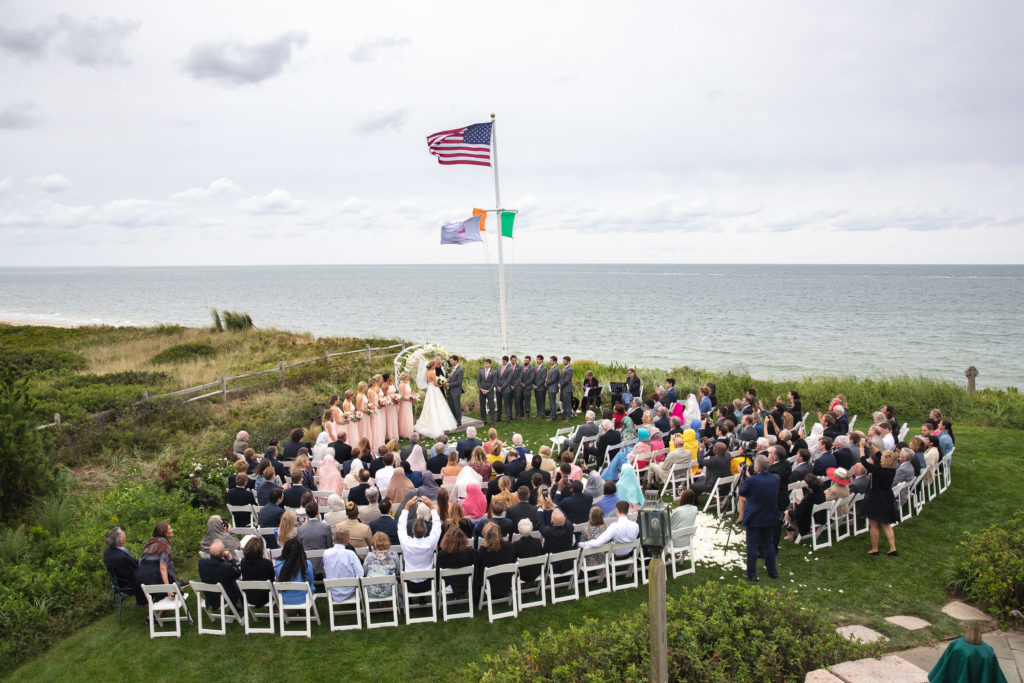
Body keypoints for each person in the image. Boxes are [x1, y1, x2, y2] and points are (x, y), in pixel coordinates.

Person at [737, 455, 781, 581]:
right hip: (770, 514)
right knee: (769, 543)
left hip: (755, 515)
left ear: (756, 467)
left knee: (752, 545)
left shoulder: (752, 480)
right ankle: (772, 571)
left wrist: (747, 478)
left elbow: (742, 492)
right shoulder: (775, 479)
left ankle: (752, 573)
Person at [398, 497, 443, 595]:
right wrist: (431, 507)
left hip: (410, 584)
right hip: (427, 583)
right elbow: (437, 526)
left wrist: (406, 508)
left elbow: (401, 526)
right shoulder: (430, 543)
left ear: (412, 531)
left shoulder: (406, 543)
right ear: (426, 531)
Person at [861, 442, 899, 555]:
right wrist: (871, 444)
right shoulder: (891, 469)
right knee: (886, 524)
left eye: (883, 457)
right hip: (887, 497)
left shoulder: (878, 470)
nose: (880, 457)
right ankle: (893, 548)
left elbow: (863, 461)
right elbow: (878, 454)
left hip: (876, 497)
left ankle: (875, 548)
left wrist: (862, 447)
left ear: (886, 460)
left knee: (873, 524)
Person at [412, 359, 458, 438]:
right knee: (439, 404)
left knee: (430, 405)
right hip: (434, 390)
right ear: (432, 366)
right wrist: (442, 384)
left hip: (430, 390)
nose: (435, 366)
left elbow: (429, 382)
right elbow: (435, 384)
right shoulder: (433, 373)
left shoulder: (427, 373)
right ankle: (442, 424)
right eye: (434, 365)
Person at [474, 522, 517, 599]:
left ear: (485, 535)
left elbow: (478, 574)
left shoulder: (482, 552)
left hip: (490, 585)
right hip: (507, 583)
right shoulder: (510, 546)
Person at [103, 527, 145, 605]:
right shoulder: (120, 558)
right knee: (155, 573)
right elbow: (131, 575)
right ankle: (161, 596)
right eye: (124, 534)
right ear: (121, 541)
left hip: (119, 582)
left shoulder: (109, 550)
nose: (125, 534)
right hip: (127, 585)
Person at [198, 538, 242, 608]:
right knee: (237, 583)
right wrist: (230, 559)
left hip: (210, 597)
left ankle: (234, 609)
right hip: (224, 597)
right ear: (223, 553)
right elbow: (238, 573)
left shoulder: (201, 562)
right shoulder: (226, 567)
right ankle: (241, 606)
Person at [136, 521, 180, 591]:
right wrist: (168, 588)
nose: (172, 530)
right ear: (164, 532)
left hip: (140, 576)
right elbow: (163, 567)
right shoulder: (164, 546)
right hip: (153, 578)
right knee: (174, 592)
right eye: (169, 529)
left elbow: (142, 560)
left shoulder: (150, 542)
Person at [322, 527, 364, 602]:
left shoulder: (326, 553)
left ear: (334, 539)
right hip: (350, 590)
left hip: (332, 590)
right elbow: (360, 573)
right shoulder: (350, 554)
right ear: (347, 541)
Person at [295, 501, 333, 577]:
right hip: (322, 563)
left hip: (309, 563)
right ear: (317, 512)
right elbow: (330, 547)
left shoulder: (300, 529)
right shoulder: (326, 527)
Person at [784, 474, 826, 541]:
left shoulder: (810, 497)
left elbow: (801, 511)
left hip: (808, 518)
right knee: (792, 512)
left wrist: (798, 504)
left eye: (806, 483)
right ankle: (796, 532)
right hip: (819, 515)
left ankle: (790, 535)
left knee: (787, 513)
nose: (805, 485)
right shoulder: (820, 491)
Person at [274, 538, 314, 604]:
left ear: (285, 550)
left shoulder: (278, 563)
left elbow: (278, 579)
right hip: (304, 598)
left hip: (285, 599)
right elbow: (311, 580)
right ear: (300, 550)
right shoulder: (306, 564)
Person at [437, 526, 474, 597]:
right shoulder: (470, 552)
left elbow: (438, 574)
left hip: (449, 585)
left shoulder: (442, 554)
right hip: (466, 583)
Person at [362, 532, 401, 599]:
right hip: (390, 590)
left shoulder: (369, 556)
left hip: (371, 591)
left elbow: (364, 572)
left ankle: (376, 605)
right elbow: (398, 571)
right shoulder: (394, 555)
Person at [239, 536, 275, 607]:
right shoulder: (266, 563)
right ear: (261, 551)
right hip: (265, 597)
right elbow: (272, 578)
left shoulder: (243, 562)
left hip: (249, 596)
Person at [477, 359, 497, 425]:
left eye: (487, 363)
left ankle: (492, 421)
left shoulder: (494, 372)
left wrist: (488, 390)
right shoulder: (481, 371)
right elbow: (478, 381)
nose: (485, 364)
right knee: (482, 406)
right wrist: (481, 389)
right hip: (482, 391)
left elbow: (494, 383)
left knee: (491, 406)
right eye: (485, 363)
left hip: (489, 391)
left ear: (490, 364)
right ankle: (483, 420)